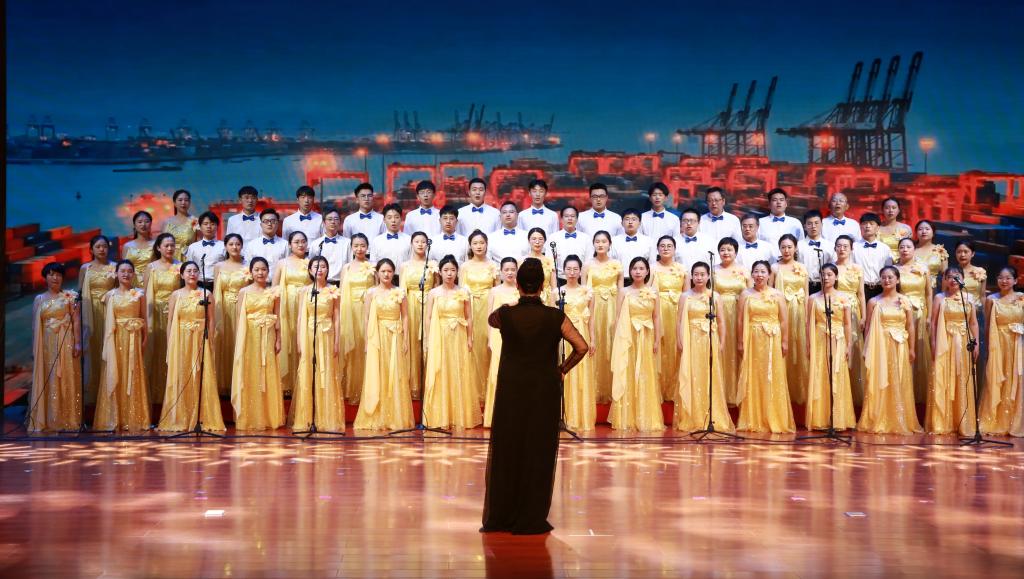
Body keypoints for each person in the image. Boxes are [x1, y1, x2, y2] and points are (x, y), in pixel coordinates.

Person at [481, 257, 588, 535]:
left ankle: (502, 515)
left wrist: (512, 303)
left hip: (512, 390)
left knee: (509, 447)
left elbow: (492, 320)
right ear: (542, 285)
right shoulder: (555, 316)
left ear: (518, 284)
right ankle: (531, 514)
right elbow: (581, 347)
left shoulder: (505, 315)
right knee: (538, 448)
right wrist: (562, 369)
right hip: (543, 390)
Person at [156, 261, 226, 432]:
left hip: (201, 338)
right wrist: (170, 343)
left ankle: (202, 417)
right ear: (182, 275)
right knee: (182, 374)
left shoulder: (206, 294)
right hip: (181, 340)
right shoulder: (176, 295)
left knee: (201, 375)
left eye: (195, 271)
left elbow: (211, 320)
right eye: (188, 271)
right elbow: (170, 321)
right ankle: (181, 417)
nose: (192, 274)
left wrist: (210, 340)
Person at [858, 266, 923, 434]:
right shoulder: (874, 302)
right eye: (883, 277)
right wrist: (867, 348)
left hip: (900, 345)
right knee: (879, 379)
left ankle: (898, 419)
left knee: (898, 379)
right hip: (879, 346)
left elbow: (910, 325)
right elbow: (868, 328)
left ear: (897, 280)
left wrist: (912, 348)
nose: (886, 280)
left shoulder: (904, 300)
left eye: (890, 277)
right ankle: (878, 418)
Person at [354, 259, 414, 430]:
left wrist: (405, 339)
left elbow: (405, 316)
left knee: (395, 373)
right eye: (383, 271)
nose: (386, 274)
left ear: (393, 273)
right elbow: (366, 318)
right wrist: (367, 341)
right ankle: (377, 415)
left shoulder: (400, 292)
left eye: (389, 271)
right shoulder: (371, 293)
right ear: (378, 273)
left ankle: (395, 416)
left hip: (395, 335)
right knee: (378, 372)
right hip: (377, 336)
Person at [736, 260, 795, 433]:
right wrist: (740, 341)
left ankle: (774, 417)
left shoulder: (777, 294)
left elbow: (783, 320)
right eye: (756, 271)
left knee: (772, 374)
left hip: (772, 339)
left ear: (769, 275)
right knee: (754, 375)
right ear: (752, 275)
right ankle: (753, 418)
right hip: (753, 338)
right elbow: (740, 320)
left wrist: (784, 341)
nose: (759, 275)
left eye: (763, 272)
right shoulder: (745, 294)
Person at [674, 262, 733, 433]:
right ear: (691, 276)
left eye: (702, 274)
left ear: (708, 276)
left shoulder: (715, 296)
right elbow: (679, 321)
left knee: (710, 375)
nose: (699, 277)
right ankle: (692, 416)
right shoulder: (685, 296)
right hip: (691, 339)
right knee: (692, 374)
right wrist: (679, 340)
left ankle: (712, 416)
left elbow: (721, 321)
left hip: (709, 338)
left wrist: (721, 342)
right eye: (696, 274)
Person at [423, 255, 481, 429]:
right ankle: (440, 416)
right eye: (446, 270)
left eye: (453, 270)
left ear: (457, 272)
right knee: (441, 371)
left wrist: (469, 337)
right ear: (440, 272)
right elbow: (428, 318)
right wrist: (429, 339)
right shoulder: (433, 293)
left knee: (458, 370)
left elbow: (469, 317)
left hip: (458, 336)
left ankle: (459, 415)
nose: (449, 273)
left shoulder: (463, 292)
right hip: (439, 336)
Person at [609, 257, 665, 432]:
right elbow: (618, 316)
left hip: (646, 336)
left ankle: (646, 417)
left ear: (647, 271)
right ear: (630, 271)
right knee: (628, 372)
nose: (638, 271)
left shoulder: (653, 292)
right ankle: (626, 417)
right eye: (634, 268)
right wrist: (618, 340)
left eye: (641, 268)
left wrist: (657, 340)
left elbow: (656, 317)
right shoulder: (623, 292)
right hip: (627, 337)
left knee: (645, 374)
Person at [291, 256, 347, 432]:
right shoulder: (305, 291)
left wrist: (337, 341)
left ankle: (326, 417)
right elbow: (301, 317)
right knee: (308, 373)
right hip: (309, 335)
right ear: (310, 270)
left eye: (323, 266)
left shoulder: (333, 290)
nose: (320, 270)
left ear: (328, 270)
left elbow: (337, 318)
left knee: (327, 372)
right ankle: (307, 418)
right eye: (316, 267)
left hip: (327, 333)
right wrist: (299, 341)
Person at [94, 260, 150, 432]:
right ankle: (114, 417)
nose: (126, 274)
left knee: (133, 372)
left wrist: (145, 338)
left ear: (133, 274)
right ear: (116, 273)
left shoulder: (139, 294)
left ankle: (133, 417)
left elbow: (143, 318)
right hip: (116, 338)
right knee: (115, 370)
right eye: (122, 271)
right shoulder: (110, 295)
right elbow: (108, 323)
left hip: (134, 337)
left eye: (129, 271)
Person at [231, 257, 284, 431]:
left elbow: (278, 317)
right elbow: (239, 319)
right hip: (249, 337)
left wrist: (278, 339)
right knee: (251, 371)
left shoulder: (274, 292)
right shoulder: (243, 292)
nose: (260, 273)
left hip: (268, 336)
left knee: (267, 371)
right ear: (251, 272)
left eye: (263, 269)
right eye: (257, 269)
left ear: (268, 271)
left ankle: (269, 416)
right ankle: (250, 416)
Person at [29, 263, 81, 432]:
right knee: (49, 377)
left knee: (65, 376)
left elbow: (76, 321)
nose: (55, 278)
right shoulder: (39, 299)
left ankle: (67, 419)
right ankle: (49, 419)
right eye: (51, 274)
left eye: (58, 274)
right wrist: (35, 349)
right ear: (45, 277)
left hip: (65, 342)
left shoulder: (69, 297)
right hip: (46, 344)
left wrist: (78, 342)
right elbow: (35, 325)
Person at [927, 266, 979, 436]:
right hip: (945, 341)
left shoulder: (969, 298)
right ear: (945, 280)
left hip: (964, 342)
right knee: (944, 377)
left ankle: (963, 421)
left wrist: (976, 344)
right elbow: (933, 323)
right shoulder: (939, 298)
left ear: (962, 279)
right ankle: (943, 421)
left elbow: (973, 323)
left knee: (963, 377)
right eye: (949, 276)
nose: (953, 279)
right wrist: (933, 343)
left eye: (956, 276)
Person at [804, 264, 856, 430]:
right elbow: (808, 323)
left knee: (837, 374)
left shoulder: (843, 297)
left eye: (829, 274)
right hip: (819, 339)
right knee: (820, 374)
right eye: (823, 274)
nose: (825, 278)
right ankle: (820, 418)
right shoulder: (813, 298)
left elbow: (847, 323)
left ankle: (839, 419)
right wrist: (809, 344)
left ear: (836, 277)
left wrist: (848, 345)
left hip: (838, 339)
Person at [980, 266, 1024, 436]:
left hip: (1018, 344)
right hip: (998, 344)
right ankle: (996, 420)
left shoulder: (1021, 298)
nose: (1004, 281)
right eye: (1000, 277)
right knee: (998, 379)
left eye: (1008, 278)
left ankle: (1015, 421)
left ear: (1015, 280)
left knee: (1017, 379)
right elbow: (987, 326)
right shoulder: (991, 299)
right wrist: (987, 348)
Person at [583, 231, 622, 403]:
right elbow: (583, 291)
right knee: (595, 341)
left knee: (611, 343)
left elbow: (621, 291)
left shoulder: (617, 264)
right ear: (593, 244)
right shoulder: (587, 265)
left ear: (609, 244)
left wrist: (620, 313)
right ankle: (594, 388)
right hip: (594, 307)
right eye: (597, 241)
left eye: (604, 241)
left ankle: (612, 389)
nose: (600, 244)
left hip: (612, 306)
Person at [398, 232, 438, 400]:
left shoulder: (433, 264)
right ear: (411, 244)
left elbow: (436, 287)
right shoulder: (404, 266)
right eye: (417, 241)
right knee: (413, 342)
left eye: (423, 242)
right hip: (411, 305)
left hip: (429, 305)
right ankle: (413, 386)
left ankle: (429, 384)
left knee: (429, 342)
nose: (420, 244)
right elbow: (402, 290)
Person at [771, 234, 809, 405]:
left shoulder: (802, 267)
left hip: (799, 311)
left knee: (799, 347)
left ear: (795, 248)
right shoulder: (774, 268)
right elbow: (770, 292)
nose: (786, 250)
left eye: (789, 247)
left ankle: (799, 391)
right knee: (782, 347)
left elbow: (806, 293)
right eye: (783, 247)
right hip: (782, 311)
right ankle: (781, 391)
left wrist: (807, 314)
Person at [78, 235, 116, 405]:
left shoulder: (115, 267)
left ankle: (109, 392)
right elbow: (80, 294)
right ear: (91, 250)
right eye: (98, 247)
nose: (102, 249)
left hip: (109, 312)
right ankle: (92, 394)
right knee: (92, 348)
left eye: (104, 246)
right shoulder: (85, 268)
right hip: (90, 312)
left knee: (108, 348)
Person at [560, 255, 596, 432]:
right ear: (563, 271)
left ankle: (582, 417)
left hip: (582, 333)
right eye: (569, 269)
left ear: (581, 271)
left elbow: (592, 318)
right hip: (564, 336)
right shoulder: (557, 292)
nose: (572, 272)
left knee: (582, 374)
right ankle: (565, 416)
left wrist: (593, 339)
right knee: (565, 372)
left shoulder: (587, 292)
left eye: (575, 269)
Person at [461, 232, 499, 401]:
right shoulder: (464, 266)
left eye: (482, 242)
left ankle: (489, 391)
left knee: (487, 344)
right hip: (470, 307)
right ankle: (473, 392)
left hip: (488, 307)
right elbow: (460, 291)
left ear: (487, 244)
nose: (478, 246)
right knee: (472, 344)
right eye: (475, 243)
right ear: (470, 245)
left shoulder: (493, 266)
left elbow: (497, 290)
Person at [483, 258, 521, 428]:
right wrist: (490, 338)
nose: (510, 272)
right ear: (501, 272)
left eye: (513, 269)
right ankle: (495, 416)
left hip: (517, 337)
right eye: (507, 269)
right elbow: (489, 316)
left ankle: (515, 415)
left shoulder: (521, 290)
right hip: (499, 336)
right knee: (497, 373)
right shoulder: (494, 291)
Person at [339, 234, 376, 404]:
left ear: (367, 247)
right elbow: (341, 292)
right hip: (350, 311)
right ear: (351, 248)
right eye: (356, 246)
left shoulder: (373, 267)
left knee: (366, 345)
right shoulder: (346, 268)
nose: (359, 249)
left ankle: (367, 389)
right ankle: (350, 389)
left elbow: (377, 289)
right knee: (352, 348)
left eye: (362, 245)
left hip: (368, 310)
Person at [896, 238, 933, 402]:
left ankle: (919, 392)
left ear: (914, 249)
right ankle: (902, 389)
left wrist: (929, 316)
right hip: (900, 312)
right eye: (902, 247)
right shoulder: (894, 269)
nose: (905, 249)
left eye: (908, 247)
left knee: (919, 348)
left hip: (919, 313)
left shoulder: (923, 269)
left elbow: (929, 294)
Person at [143, 232, 179, 404]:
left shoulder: (180, 266)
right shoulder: (151, 267)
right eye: (166, 245)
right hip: (156, 313)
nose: (170, 248)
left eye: (172, 245)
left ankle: (173, 392)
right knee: (157, 350)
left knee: (173, 349)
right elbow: (145, 294)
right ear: (158, 248)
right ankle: (156, 393)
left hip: (175, 312)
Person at [212, 233, 250, 395]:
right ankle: (225, 383)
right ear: (226, 247)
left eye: (238, 244)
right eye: (231, 244)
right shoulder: (218, 266)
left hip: (242, 308)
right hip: (224, 308)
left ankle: (241, 383)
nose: (235, 247)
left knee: (241, 342)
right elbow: (216, 290)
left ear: (242, 246)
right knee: (225, 342)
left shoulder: (247, 266)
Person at [272, 231, 310, 395]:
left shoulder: (310, 262)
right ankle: (286, 383)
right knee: (287, 338)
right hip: (286, 306)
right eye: (296, 242)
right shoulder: (282, 263)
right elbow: (274, 287)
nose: (300, 245)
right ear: (289, 244)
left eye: (303, 241)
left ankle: (303, 381)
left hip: (304, 305)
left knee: (302, 338)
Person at [714, 238, 751, 406]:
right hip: (719, 314)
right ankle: (721, 393)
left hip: (739, 313)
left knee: (739, 349)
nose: (726, 253)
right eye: (722, 249)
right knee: (722, 349)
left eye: (729, 249)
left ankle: (739, 393)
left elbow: (750, 293)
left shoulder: (744, 270)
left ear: (736, 252)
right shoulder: (713, 270)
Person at [834, 235, 868, 404]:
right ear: (835, 248)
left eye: (845, 246)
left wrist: (864, 316)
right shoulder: (831, 268)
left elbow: (861, 294)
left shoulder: (857, 268)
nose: (842, 249)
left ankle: (855, 393)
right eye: (839, 246)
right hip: (836, 309)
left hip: (853, 310)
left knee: (853, 345)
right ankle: (839, 389)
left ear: (851, 249)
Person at [651, 235, 685, 400]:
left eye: (669, 246)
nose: (665, 249)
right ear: (657, 249)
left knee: (676, 346)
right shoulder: (652, 268)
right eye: (662, 246)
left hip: (678, 310)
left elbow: (687, 294)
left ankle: (674, 389)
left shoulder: (682, 269)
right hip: (658, 310)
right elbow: (647, 292)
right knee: (659, 346)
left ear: (675, 249)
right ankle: (657, 388)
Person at [853, 213, 893, 300]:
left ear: (878, 227)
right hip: (859, 288)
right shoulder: (853, 247)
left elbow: (889, 270)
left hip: (880, 288)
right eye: (864, 223)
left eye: (871, 223)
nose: (868, 226)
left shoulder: (885, 248)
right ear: (860, 227)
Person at [310, 208, 351, 286]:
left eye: (336, 219)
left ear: (340, 222)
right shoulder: (315, 244)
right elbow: (312, 267)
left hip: (342, 283)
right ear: (323, 222)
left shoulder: (347, 243)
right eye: (329, 219)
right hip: (322, 284)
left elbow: (350, 265)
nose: (333, 222)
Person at [797, 210, 835, 294]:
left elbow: (834, 267)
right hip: (803, 286)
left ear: (822, 225)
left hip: (825, 285)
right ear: (804, 226)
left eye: (816, 223)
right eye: (809, 224)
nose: (813, 226)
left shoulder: (830, 246)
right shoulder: (798, 246)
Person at [551, 206, 591, 283]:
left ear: (577, 219)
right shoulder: (553, 237)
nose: (570, 219)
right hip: (559, 280)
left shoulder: (586, 238)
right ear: (561, 219)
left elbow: (589, 262)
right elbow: (550, 262)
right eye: (566, 216)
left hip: (581, 280)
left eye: (572, 216)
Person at [184, 211, 224, 288]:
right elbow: (188, 268)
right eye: (205, 224)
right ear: (200, 226)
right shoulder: (193, 247)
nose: (209, 226)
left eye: (212, 224)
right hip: (197, 285)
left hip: (218, 285)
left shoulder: (223, 246)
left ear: (217, 226)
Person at [612, 209, 655, 281]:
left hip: (642, 281)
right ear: (622, 223)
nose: (630, 222)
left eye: (634, 219)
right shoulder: (613, 241)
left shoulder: (649, 241)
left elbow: (652, 265)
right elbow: (610, 263)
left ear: (640, 223)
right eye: (627, 219)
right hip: (619, 280)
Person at [243, 208, 288, 273]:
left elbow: (287, 267)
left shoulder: (285, 244)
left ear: (278, 224)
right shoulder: (252, 245)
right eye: (266, 221)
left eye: (273, 221)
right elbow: (247, 267)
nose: (269, 224)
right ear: (261, 225)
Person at [162, 189, 197, 261]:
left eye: (186, 200)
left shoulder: (195, 221)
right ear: (174, 203)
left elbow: (199, 244)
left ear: (189, 203)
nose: (183, 203)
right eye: (180, 200)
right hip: (170, 259)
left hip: (189, 259)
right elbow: (162, 244)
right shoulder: (167, 222)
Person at [524, 228, 557, 305]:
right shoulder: (522, 261)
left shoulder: (550, 261)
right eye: (534, 239)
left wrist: (553, 304)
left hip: (547, 299)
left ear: (544, 241)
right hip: (527, 298)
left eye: (540, 239)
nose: (537, 242)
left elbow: (554, 287)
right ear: (529, 240)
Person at [122, 210, 155, 287]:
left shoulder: (156, 244)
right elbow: (123, 268)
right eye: (140, 222)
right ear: (134, 225)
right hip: (131, 284)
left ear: (151, 224)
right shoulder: (127, 246)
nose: (143, 224)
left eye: (147, 221)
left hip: (151, 282)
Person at [913, 220, 948, 289]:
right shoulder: (911, 249)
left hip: (933, 288)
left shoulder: (940, 251)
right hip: (913, 287)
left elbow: (945, 274)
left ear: (933, 233)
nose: (924, 231)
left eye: (927, 229)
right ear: (916, 233)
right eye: (920, 229)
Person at [953, 240, 987, 306]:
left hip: (976, 309)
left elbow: (983, 296)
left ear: (973, 254)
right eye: (959, 252)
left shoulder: (980, 272)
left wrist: (984, 311)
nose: (962, 255)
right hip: (956, 308)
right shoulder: (951, 273)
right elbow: (945, 295)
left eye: (966, 252)